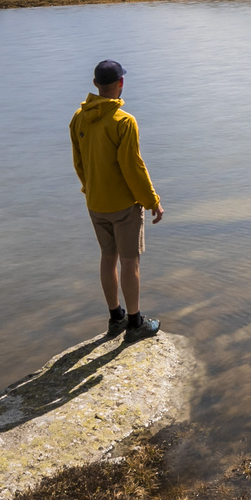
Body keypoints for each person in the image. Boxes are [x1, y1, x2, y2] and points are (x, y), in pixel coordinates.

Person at [70, 59, 164, 343]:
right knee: (130, 261)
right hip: (123, 206)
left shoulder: (78, 117)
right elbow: (133, 167)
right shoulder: (124, 121)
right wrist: (152, 201)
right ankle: (135, 323)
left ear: (96, 84)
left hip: (95, 203)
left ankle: (115, 318)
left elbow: (78, 161)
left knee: (107, 258)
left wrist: (89, 188)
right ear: (121, 83)